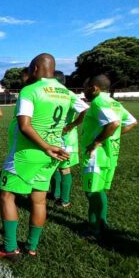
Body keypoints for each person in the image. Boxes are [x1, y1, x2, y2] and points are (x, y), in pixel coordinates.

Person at [0, 53, 88, 260]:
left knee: (7, 196)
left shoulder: (30, 90)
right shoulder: (65, 91)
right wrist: (67, 130)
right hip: (53, 154)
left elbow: (25, 125)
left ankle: (10, 248)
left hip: (27, 154)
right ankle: (31, 247)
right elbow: (85, 110)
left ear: (36, 69)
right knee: (39, 201)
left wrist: (45, 146)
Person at [80, 75, 137, 237]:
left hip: (96, 156)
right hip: (111, 154)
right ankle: (102, 223)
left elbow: (114, 124)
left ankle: (93, 228)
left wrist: (97, 142)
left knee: (92, 192)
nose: (84, 92)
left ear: (94, 88)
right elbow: (132, 122)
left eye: (86, 88)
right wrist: (113, 137)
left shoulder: (99, 102)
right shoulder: (114, 102)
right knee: (100, 190)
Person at [52, 71, 88, 208]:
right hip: (55, 137)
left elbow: (85, 110)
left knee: (64, 169)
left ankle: (65, 200)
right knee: (54, 167)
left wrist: (71, 125)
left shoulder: (69, 95)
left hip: (66, 140)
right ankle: (55, 193)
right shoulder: (54, 94)